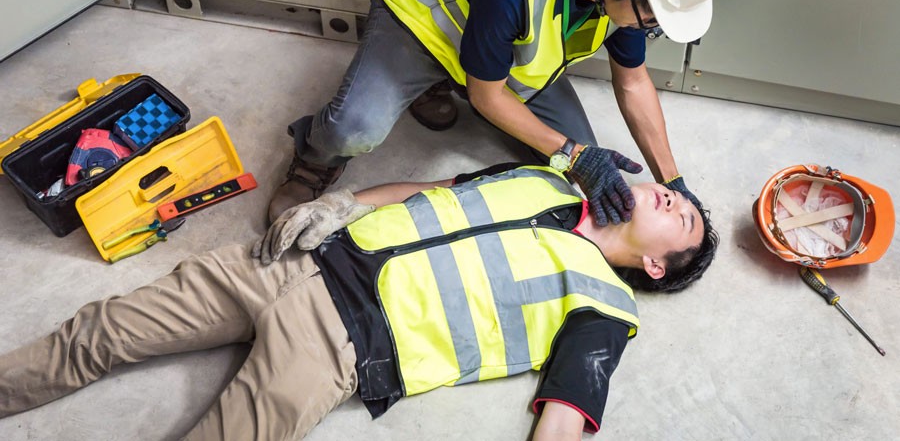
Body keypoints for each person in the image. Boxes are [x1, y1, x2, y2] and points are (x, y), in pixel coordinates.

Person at [0, 163, 718, 440]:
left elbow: (565, 417)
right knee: (99, 329)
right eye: (675, 192)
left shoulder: (603, 305)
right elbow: (432, 194)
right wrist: (343, 202)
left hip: (343, 342)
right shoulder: (550, 182)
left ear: (655, 264)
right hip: (294, 260)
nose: (668, 196)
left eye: (679, 215)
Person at [269, 0, 732, 227]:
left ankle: (439, 87)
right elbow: (487, 96)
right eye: (650, 19)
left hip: (496, 44)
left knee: (572, 170)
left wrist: (673, 181)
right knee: (355, 129)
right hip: (427, 21)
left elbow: (633, 82)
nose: (648, 28)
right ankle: (315, 157)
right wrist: (573, 152)